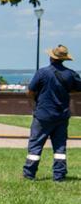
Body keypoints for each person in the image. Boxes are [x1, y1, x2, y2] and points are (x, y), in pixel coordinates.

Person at [23, 45, 81, 182]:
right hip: (61, 116)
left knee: (35, 145)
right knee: (60, 147)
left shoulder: (42, 73)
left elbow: (30, 91)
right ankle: (59, 176)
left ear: (51, 57)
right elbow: (79, 89)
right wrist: (66, 92)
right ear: (64, 59)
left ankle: (29, 174)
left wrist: (33, 103)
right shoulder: (71, 74)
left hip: (42, 115)